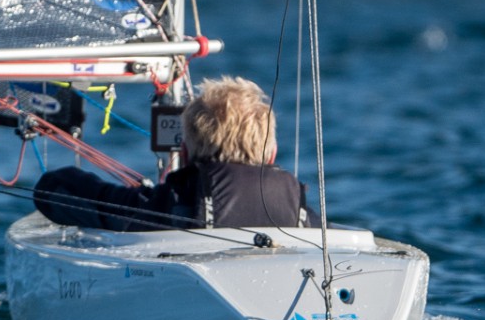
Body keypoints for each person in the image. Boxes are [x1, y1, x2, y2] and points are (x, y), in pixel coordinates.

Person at [33, 76, 321, 231]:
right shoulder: (300, 211)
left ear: (184, 153)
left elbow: (54, 189)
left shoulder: (173, 203)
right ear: (271, 155)